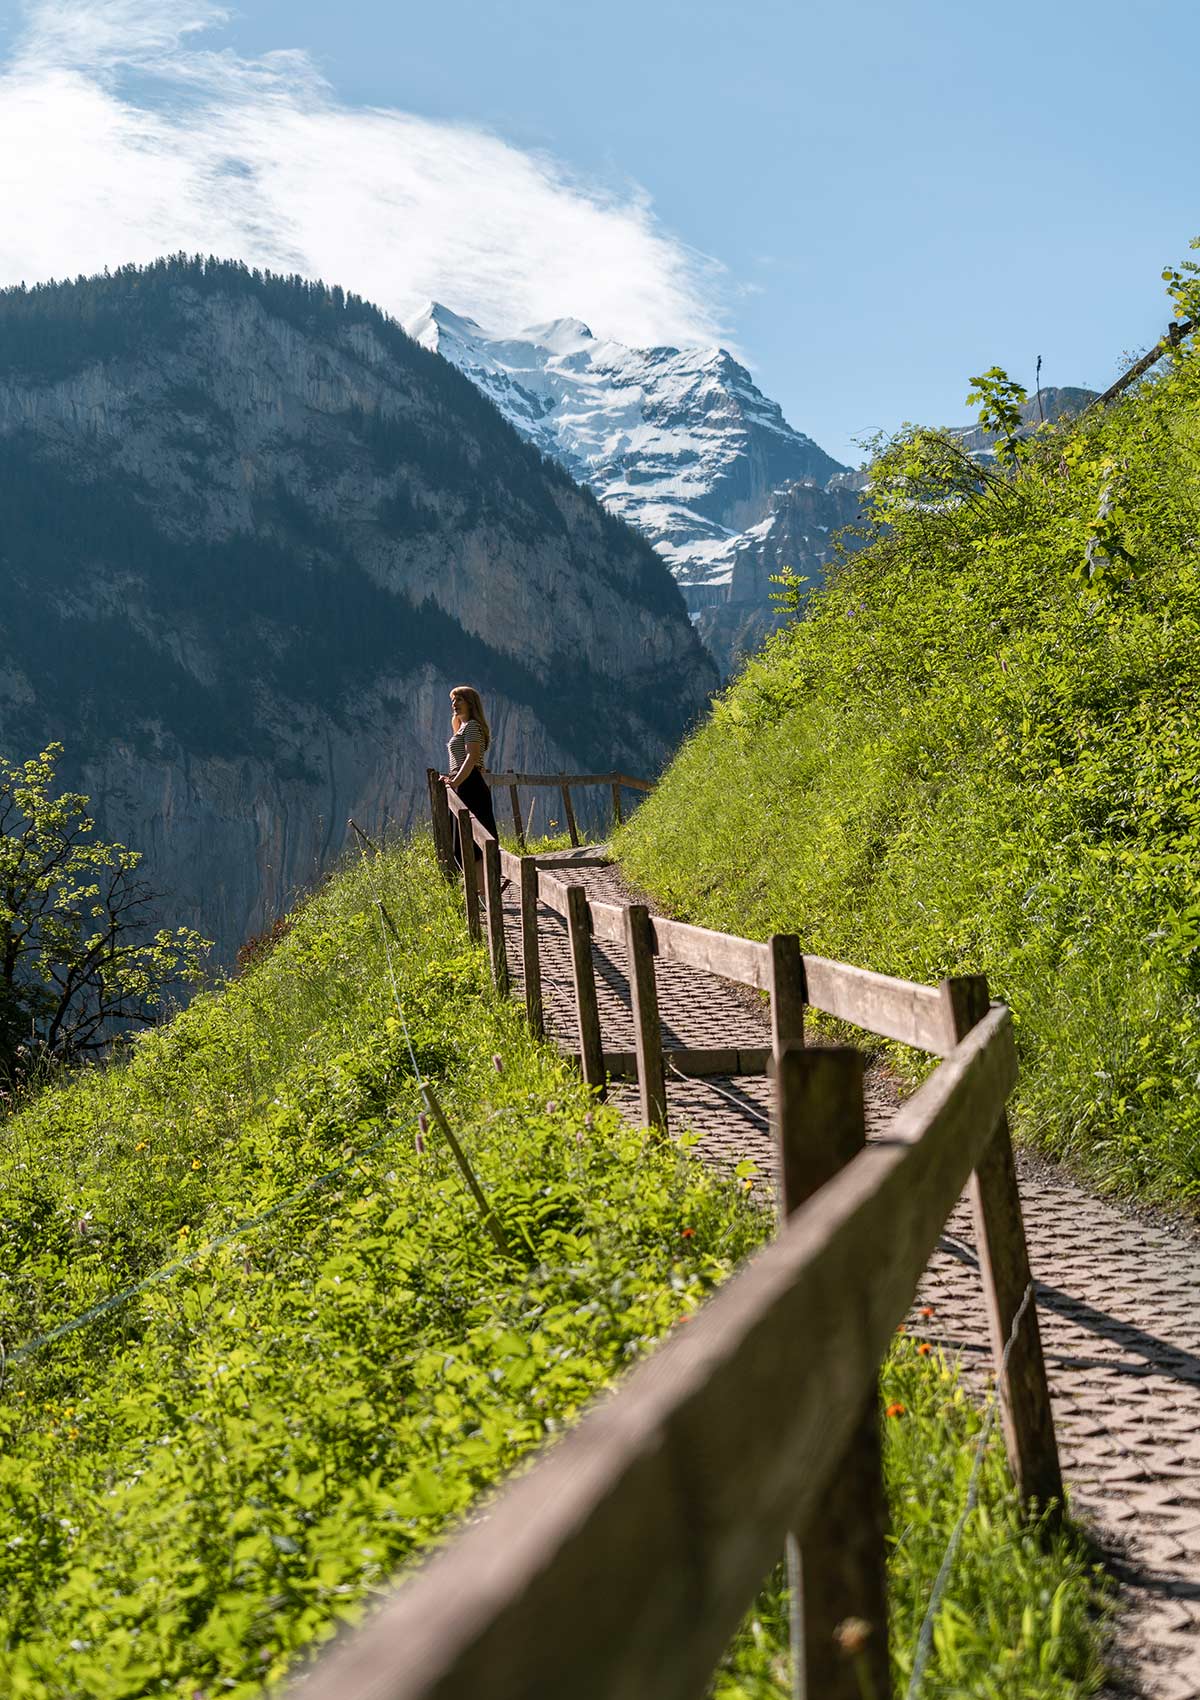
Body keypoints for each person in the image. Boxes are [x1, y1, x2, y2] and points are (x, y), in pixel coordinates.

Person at [442, 684, 498, 866]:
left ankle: (481, 891)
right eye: (453, 700)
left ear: (470, 703)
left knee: (475, 843)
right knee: (463, 839)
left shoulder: (472, 726)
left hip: (470, 785)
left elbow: (472, 757)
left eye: (459, 699)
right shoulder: (462, 727)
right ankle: (475, 891)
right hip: (464, 783)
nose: (454, 704)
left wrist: (455, 781)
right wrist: (452, 779)